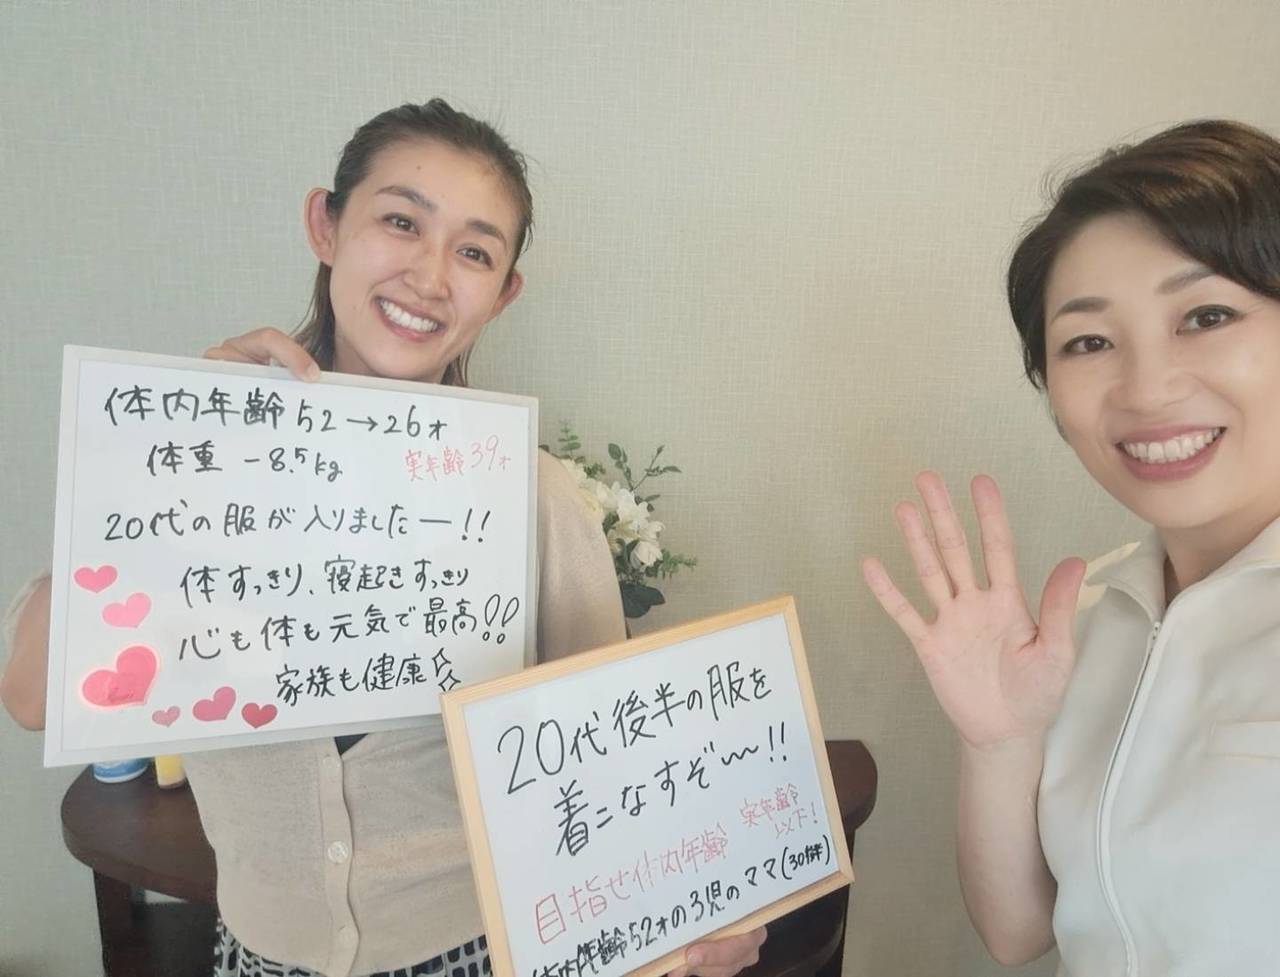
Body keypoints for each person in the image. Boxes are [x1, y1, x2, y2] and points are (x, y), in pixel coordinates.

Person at [1, 99, 764, 977]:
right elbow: (32, 695)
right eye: (401, 221)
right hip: (259, 952)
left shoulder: (534, 497)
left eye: (474, 252)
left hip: (477, 951)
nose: (430, 276)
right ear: (325, 226)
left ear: (504, 292)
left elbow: (602, 767)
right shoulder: (193, 464)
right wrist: (170, 470)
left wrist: (696, 912)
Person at [862, 119, 1280, 975]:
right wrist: (998, 743)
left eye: (1206, 315)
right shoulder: (1083, 617)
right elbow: (1021, 931)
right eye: (1088, 341)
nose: (1148, 389)